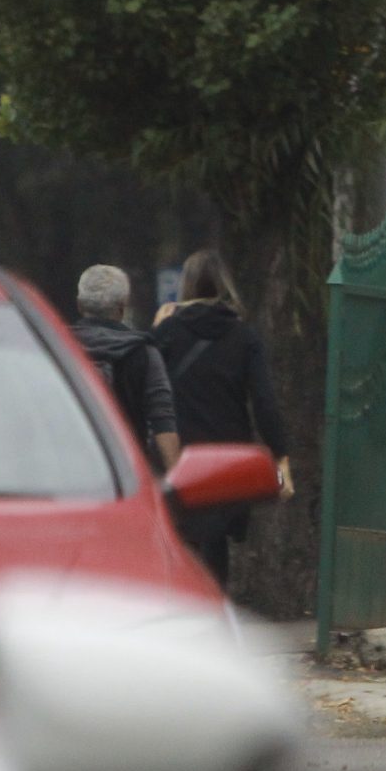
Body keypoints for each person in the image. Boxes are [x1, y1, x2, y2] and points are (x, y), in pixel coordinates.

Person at [151, 248, 293, 586]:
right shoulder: (244, 337)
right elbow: (264, 402)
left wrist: (156, 328)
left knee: (183, 537)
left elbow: (149, 389)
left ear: (186, 285)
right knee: (216, 543)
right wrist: (281, 456)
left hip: (179, 455)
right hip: (226, 459)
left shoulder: (167, 333)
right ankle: (216, 602)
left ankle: (186, 604)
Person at [72, 265, 182, 471]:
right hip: (129, 474)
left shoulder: (59, 349)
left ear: (79, 305)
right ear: (122, 309)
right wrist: (177, 480)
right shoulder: (144, 353)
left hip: (70, 472)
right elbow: (163, 420)